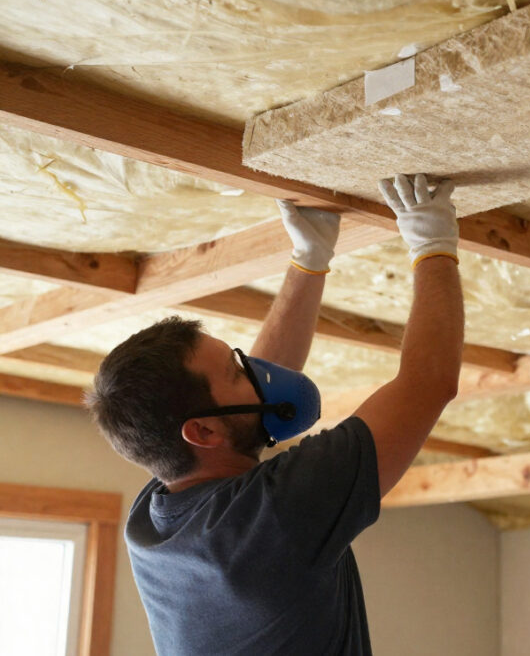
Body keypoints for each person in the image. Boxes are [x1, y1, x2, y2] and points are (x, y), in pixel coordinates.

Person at [87, 174, 463, 655]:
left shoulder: (161, 513)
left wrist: (308, 261)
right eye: (235, 370)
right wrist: (433, 244)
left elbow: (245, 409)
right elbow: (427, 383)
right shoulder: (272, 519)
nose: (255, 372)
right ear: (200, 431)